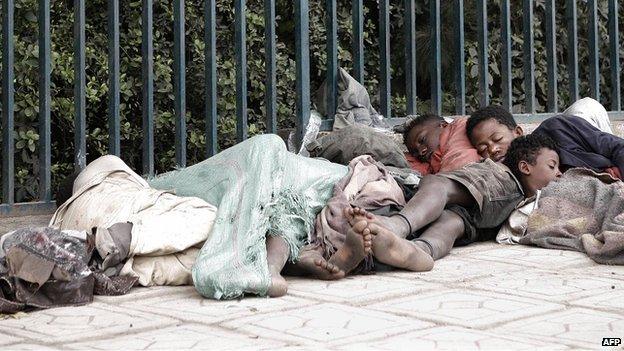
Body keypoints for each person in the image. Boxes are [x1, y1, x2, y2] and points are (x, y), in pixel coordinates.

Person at [52, 135, 349, 300]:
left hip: (102, 238)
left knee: (215, 236)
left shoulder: (65, 216)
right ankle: (265, 262)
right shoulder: (102, 173)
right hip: (118, 220)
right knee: (266, 147)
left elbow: (160, 269)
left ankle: (276, 261)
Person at [338, 133, 562, 271]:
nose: (559, 173)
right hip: (479, 219)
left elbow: (444, 185)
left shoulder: (501, 175)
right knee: (451, 223)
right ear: (525, 167)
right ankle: (419, 250)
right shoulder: (515, 188)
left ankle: (398, 225)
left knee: (438, 184)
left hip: (497, 191)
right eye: (553, 166)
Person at [466, 105, 624, 180]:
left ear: (518, 132)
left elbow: (616, 146)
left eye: (498, 139)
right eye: (483, 148)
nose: (493, 149)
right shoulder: (513, 178)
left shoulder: (558, 128)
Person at [401, 114, 481, 175]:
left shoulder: (460, 126)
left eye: (422, 140)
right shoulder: (432, 164)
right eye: (416, 153)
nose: (421, 152)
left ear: (443, 125)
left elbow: (461, 159)